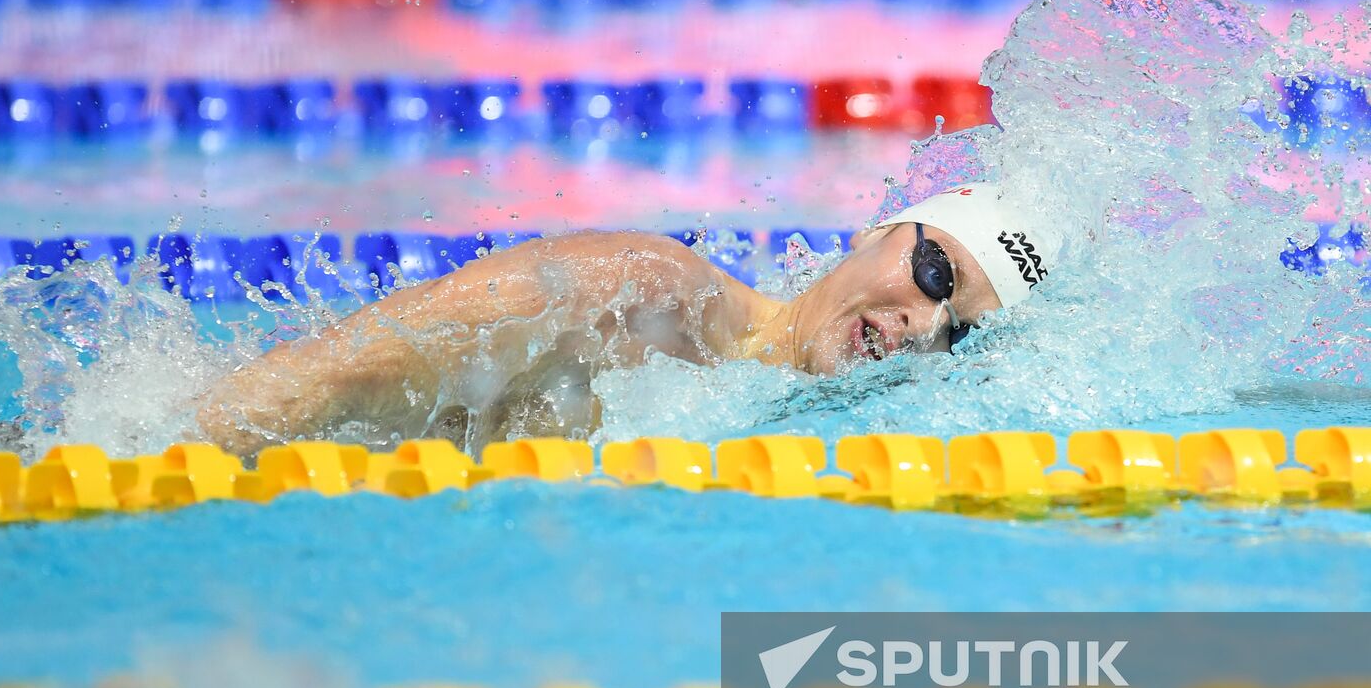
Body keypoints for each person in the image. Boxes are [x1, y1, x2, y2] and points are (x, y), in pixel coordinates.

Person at [197, 182, 1056, 456]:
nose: (922, 319)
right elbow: (297, 390)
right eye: (935, 268)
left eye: (960, 327)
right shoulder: (637, 292)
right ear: (877, 229)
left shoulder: (811, 439)